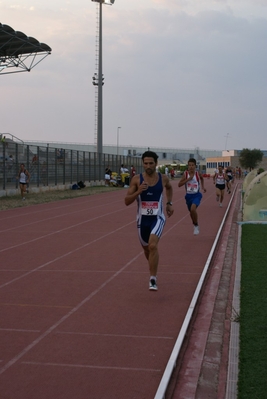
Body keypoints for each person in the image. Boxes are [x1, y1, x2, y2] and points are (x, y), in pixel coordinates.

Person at [124, 150, 174, 291]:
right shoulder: (136, 180)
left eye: (151, 163)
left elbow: (169, 188)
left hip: (157, 218)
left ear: (156, 163)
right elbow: (126, 201)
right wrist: (138, 191)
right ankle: (153, 264)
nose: (148, 166)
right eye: (145, 163)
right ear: (142, 164)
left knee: (152, 246)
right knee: (147, 250)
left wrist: (169, 203)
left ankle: (153, 279)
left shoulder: (163, 178)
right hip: (142, 221)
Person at [178, 158, 206, 235]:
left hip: (197, 195)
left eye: (192, 165)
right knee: (191, 212)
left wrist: (203, 187)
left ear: (195, 166)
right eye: (189, 165)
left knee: (193, 209)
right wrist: (188, 179)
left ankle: (196, 225)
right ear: (188, 166)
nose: (191, 167)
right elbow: (179, 185)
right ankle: (194, 223)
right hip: (188, 196)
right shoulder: (185, 174)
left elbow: (202, 179)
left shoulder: (198, 174)